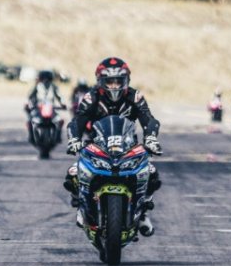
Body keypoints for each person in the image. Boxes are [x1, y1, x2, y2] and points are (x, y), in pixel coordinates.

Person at [63, 57, 163, 236]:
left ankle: (143, 213)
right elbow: (77, 121)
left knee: (152, 172)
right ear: (101, 81)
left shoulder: (135, 96)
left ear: (127, 80)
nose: (115, 86)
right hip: (96, 146)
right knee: (72, 173)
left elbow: (149, 120)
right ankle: (80, 204)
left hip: (128, 147)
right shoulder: (91, 97)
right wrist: (74, 140)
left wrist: (151, 139)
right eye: (110, 81)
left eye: (119, 81)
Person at [25, 69, 66, 143]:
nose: (46, 80)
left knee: (60, 120)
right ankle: (31, 136)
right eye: (44, 78)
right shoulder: (37, 86)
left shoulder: (54, 87)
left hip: (51, 109)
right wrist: (29, 104)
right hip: (39, 109)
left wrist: (62, 104)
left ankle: (58, 136)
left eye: (47, 78)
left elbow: (59, 96)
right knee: (30, 121)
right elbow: (30, 96)